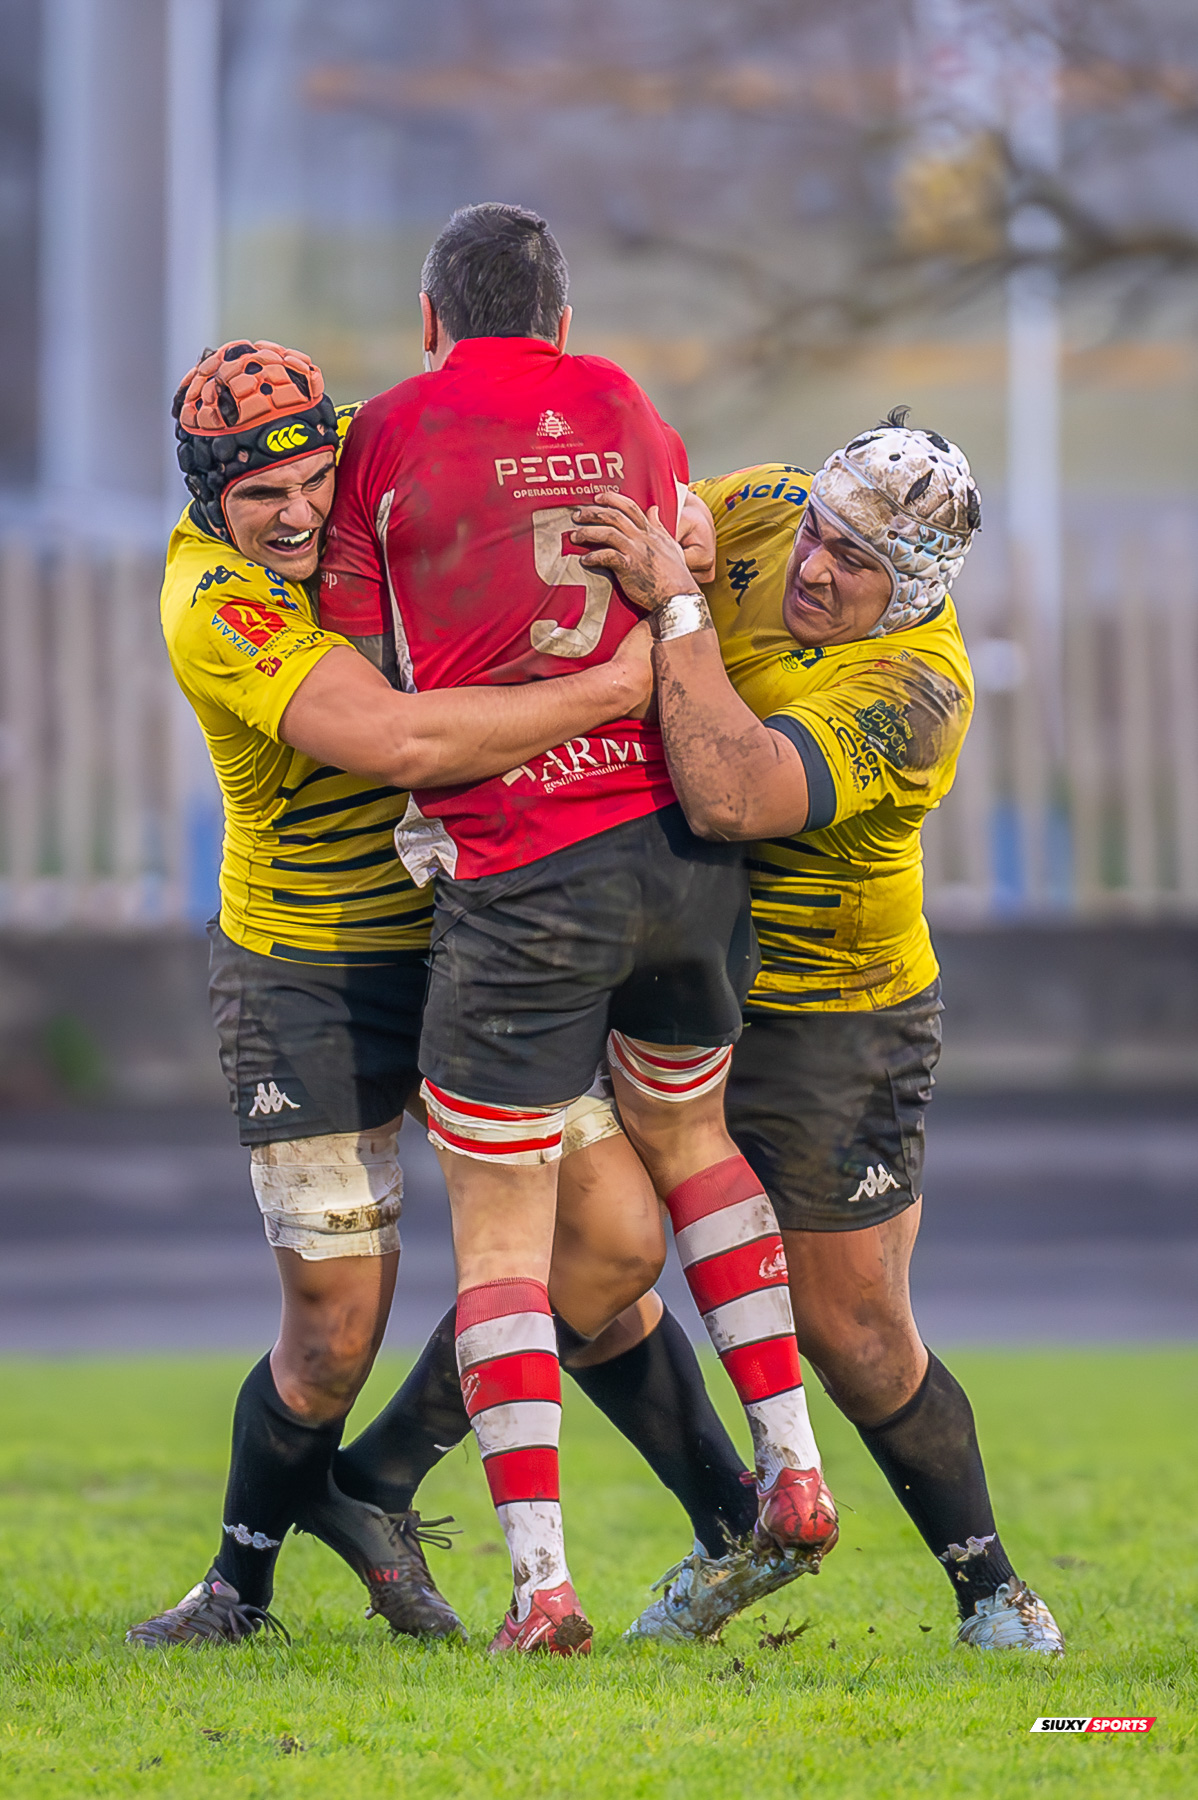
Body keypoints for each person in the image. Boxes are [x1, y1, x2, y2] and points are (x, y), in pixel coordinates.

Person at [319, 202, 836, 1656]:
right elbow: (678, 565)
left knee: (503, 1235)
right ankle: (792, 1471)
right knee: (694, 1141)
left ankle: (541, 1587)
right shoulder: (621, 401)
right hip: (680, 858)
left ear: (431, 319)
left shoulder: (390, 432)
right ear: (560, 318)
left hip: (524, 869)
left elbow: (362, 662)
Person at [125, 337, 681, 1649]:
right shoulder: (213, 598)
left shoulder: (395, 446)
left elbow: (594, 475)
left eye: (313, 479)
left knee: (615, 1245)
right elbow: (399, 740)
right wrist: (620, 682)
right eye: (261, 496)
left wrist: (683, 542)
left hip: (467, 939)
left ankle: (375, 1480)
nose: (298, 514)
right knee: (332, 1332)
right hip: (305, 971)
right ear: (208, 497)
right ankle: (236, 1593)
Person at [567, 415, 1065, 1654]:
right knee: (583, 1260)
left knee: (852, 1333)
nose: (815, 565)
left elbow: (730, 792)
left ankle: (993, 1593)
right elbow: (667, 513)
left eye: (857, 562)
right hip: (675, 975)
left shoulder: (919, 691)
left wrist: (680, 606)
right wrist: (679, 530)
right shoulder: (774, 506)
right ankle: (735, 1524)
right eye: (820, 533)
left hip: (832, 1011)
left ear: (914, 595)